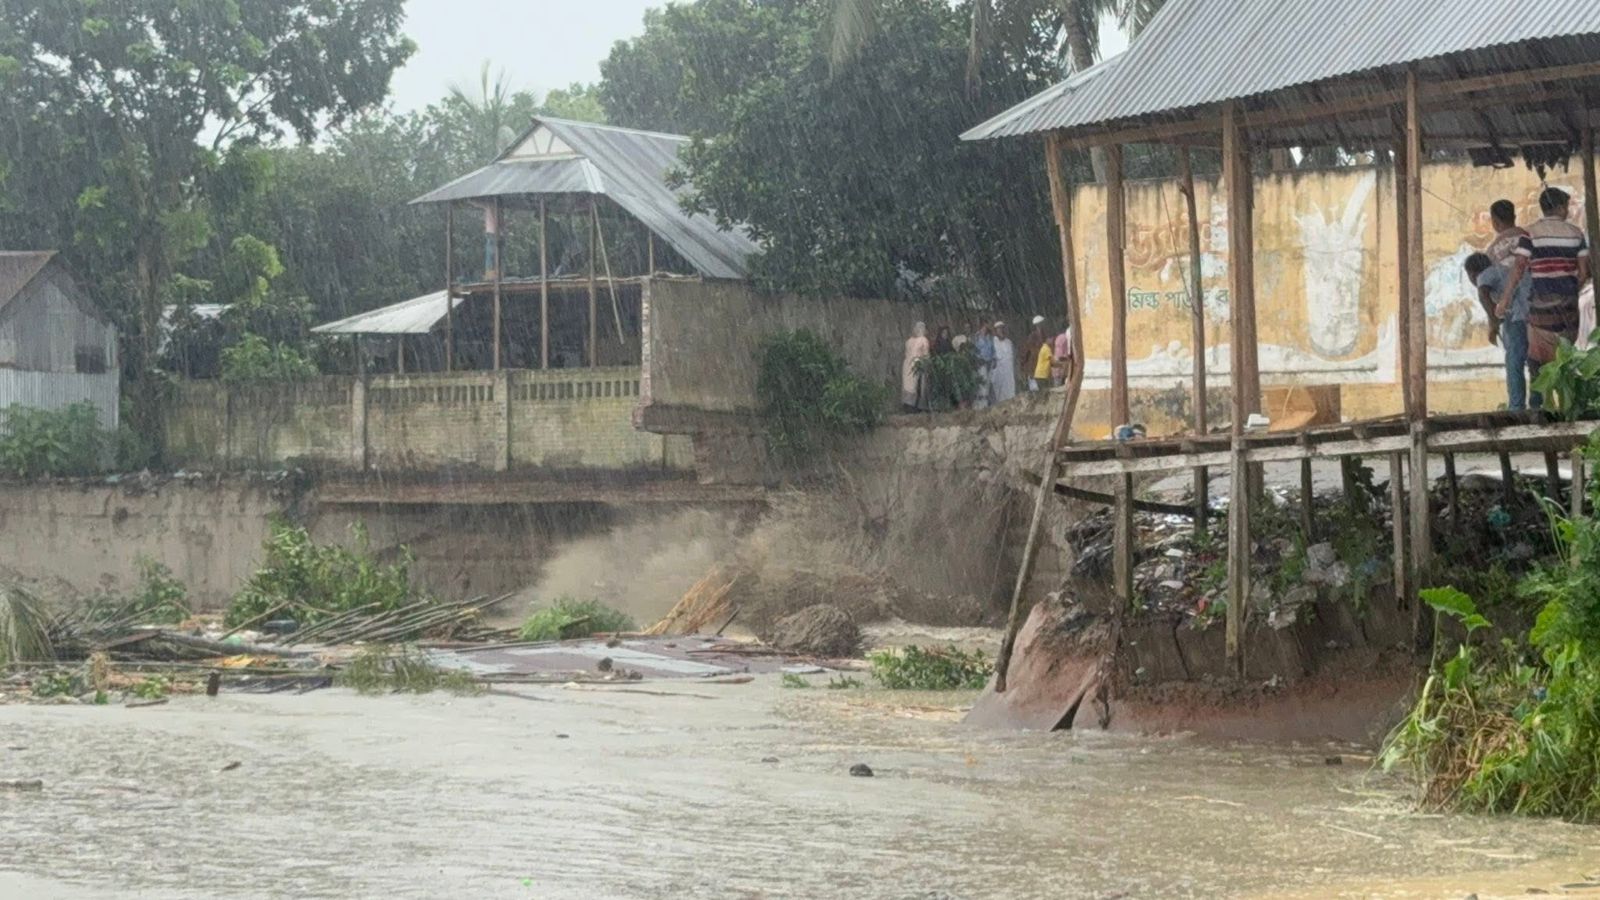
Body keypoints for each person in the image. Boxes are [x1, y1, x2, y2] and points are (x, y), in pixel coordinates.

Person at [1501, 187, 1590, 356]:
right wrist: (1569, 291)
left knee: (1541, 366)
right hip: (1568, 312)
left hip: (1541, 312)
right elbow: (1584, 274)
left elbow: (1519, 267)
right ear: (1561, 208)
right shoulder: (1576, 234)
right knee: (1564, 362)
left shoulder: (1530, 233)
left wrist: (1505, 299)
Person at [1466, 252, 1536, 410]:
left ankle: (1516, 408)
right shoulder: (1504, 271)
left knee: (1514, 362)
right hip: (1535, 316)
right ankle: (1537, 405)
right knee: (1534, 362)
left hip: (1518, 317)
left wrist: (1494, 322)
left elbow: (1483, 293)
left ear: (1471, 273)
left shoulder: (1485, 274)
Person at [901, 322, 929, 412]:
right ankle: (917, 406)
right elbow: (926, 355)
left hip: (907, 364)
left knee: (908, 385)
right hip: (917, 364)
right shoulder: (924, 340)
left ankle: (907, 405)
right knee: (917, 384)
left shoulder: (908, 341)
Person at [990, 321, 1017, 404]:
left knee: (1010, 390)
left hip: (1009, 371)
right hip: (998, 371)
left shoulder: (1009, 342)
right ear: (995, 331)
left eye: (1002, 328)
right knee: (999, 392)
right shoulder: (993, 342)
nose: (1000, 330)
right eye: (998, 329)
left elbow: (1012, 356)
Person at [971, 322, 996, 409]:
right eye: (983, 327)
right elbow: (974, 351)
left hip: (989, 362)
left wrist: (994, 358)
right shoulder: (976, 337)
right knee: (982, 382)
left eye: (986, 328)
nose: (984, 329)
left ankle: (986, 402)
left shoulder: (989, 338)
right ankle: (980, 404)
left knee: (988, 382)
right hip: (981, 362)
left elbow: (992, 349)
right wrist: (977, 360)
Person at [1022, 316, 1047, 391]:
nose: (1041, 326)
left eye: (1041, 324)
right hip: (1034, 363)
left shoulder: (1044, 335)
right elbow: (1026, 351)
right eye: (1039, 324)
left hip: (1042, 363)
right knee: (1035, 388)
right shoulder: (1032, 336)